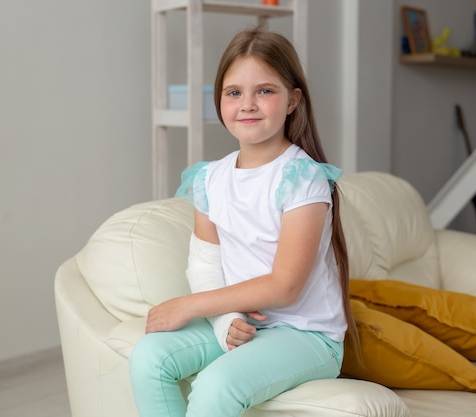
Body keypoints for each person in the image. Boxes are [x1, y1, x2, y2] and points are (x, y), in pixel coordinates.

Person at [129, 26, 359, 417]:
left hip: (304, 334)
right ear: (219, 100)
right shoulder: (209, 178)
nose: (248, 104)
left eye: (265, 91)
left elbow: (285, 287)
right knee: (148, 358)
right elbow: (206, 264)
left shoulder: (303, 178)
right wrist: (224, 320)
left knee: (216, 386)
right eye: (234, 92)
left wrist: (189, 306)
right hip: (240, 321)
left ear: (292, 100)